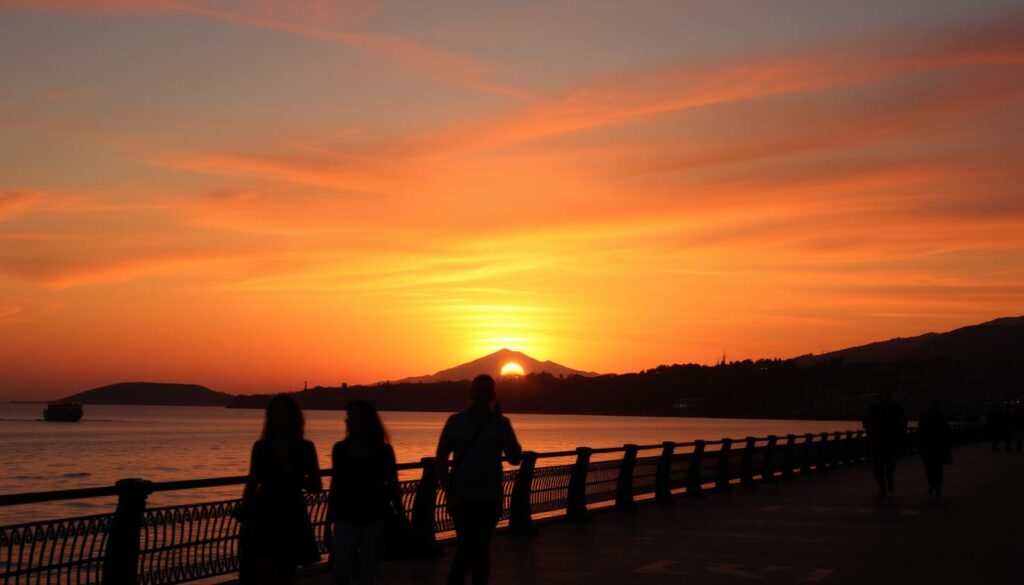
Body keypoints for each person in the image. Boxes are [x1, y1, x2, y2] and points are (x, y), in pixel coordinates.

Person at [436, 374, 522, 585]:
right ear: (470, 392)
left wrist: (502, 427)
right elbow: (440, 458)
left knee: (477, 546)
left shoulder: (501, 423)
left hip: (489, 498)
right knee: (472, 547)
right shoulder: (455, 422)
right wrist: (448, 491)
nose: (478, 394)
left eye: (483, 390)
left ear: (492, 395)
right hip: (462, 497)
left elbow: (515, 458)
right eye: (476, 390)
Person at [238, 394, 322, 584]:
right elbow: (252, 483)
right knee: (259, 569)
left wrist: (296, 476)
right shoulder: (261, 447)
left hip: (291, 513)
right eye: (275, 414)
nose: (279, 418)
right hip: (264, 513)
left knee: (284, 571)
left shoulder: (305, 447)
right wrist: (246, 512)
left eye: (283, 413)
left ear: (293, 417)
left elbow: (316, 486)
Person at [327, 400, 404, 585]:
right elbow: (335, 485)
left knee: (366, 571)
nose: (347, 421)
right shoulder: (340, 449)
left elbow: (393, 485)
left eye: (352, 417)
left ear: (365, 421)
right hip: (346, 516)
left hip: (374, 517)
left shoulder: (384, 451)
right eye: (347, 416)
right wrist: (328, 522)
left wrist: (401, 516)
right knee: (342, 570)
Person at [862, 392, 907, 498]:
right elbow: (903, 423)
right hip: (889, 441)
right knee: (888, 463)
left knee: (879, 466)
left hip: (879, 442)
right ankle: (888, 480)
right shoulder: (895, 409)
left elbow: (867, 423)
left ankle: (883, 486)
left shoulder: (875, 409)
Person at [917, 400, 952, 496]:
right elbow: (947, 432)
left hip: (928, 447)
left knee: (929, 468)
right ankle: (938, 487)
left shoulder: (925, 418)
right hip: (938, 447)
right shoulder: (942, 418)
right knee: (938, 468)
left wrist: (920, 446)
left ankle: (932, 484)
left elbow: (920, 433)